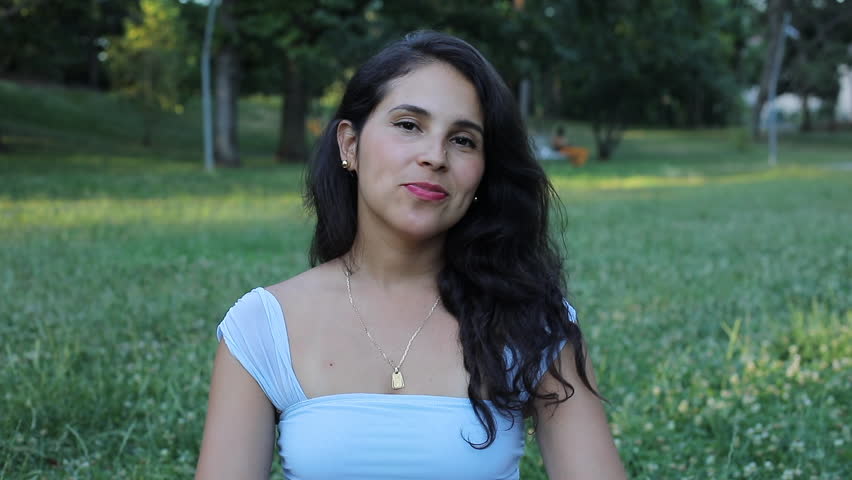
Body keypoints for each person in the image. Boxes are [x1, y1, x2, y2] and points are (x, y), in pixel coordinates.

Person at [196, 31, 626, 480]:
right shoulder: (262, 327)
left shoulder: (533, 322)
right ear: (350, 145)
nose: (435, 156)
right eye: (408, 125)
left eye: (463, 140)